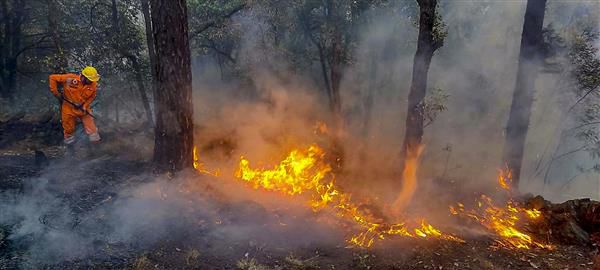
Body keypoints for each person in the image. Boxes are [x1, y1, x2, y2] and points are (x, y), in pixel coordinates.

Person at [49, 66, 101, 145]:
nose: (91, 82)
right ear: (83, 77)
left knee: (92, 129)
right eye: (89, 80)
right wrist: (56, 93)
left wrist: (84, 106)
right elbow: (52, 78)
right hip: (68, 108)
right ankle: (70, 149)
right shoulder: (70, 78)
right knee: (69, 129)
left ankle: (96, 147)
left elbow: (92, 97)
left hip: (83, 109)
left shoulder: (93, 85)